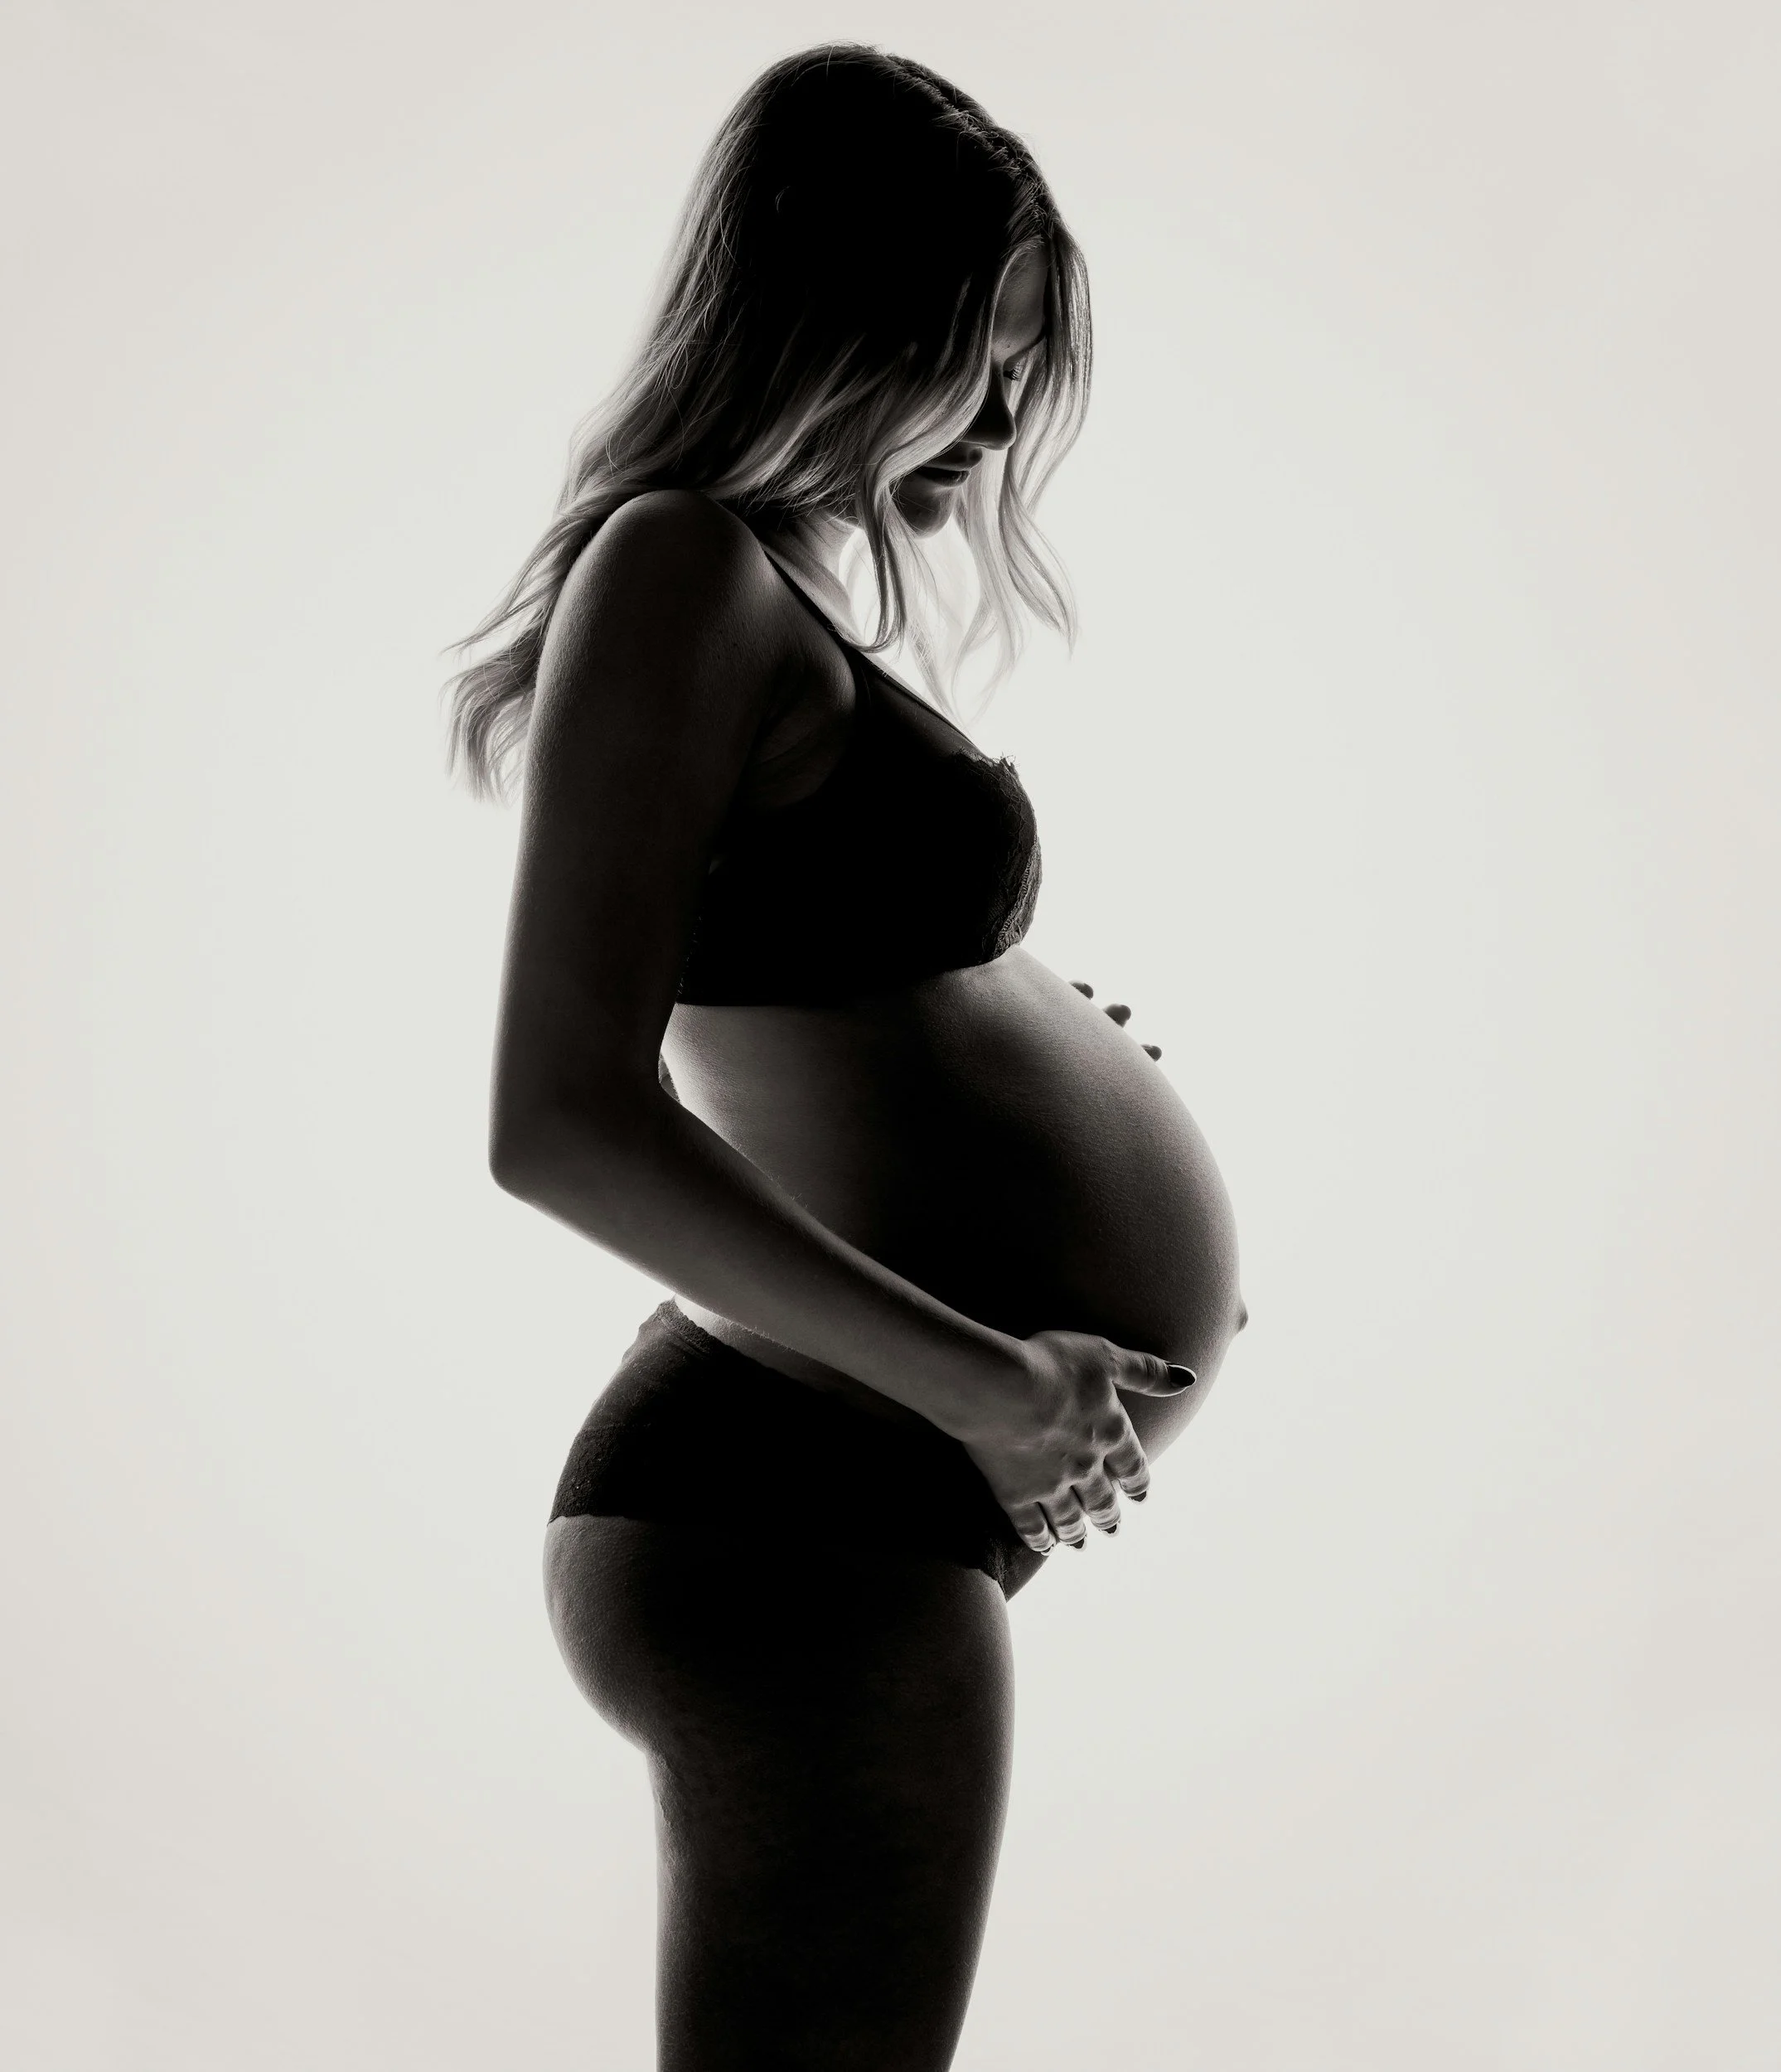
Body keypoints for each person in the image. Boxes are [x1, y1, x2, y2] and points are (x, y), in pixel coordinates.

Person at [448, 44, 1246, 2072]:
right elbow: (556, 1121)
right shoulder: (679, 566)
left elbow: (800, 999)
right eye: (970, 352)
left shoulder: (773, 588)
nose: (995, 415)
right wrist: (998, 1372)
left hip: (854, 1487)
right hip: (801, 1500)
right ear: (837, 316)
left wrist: (1014, 1046)